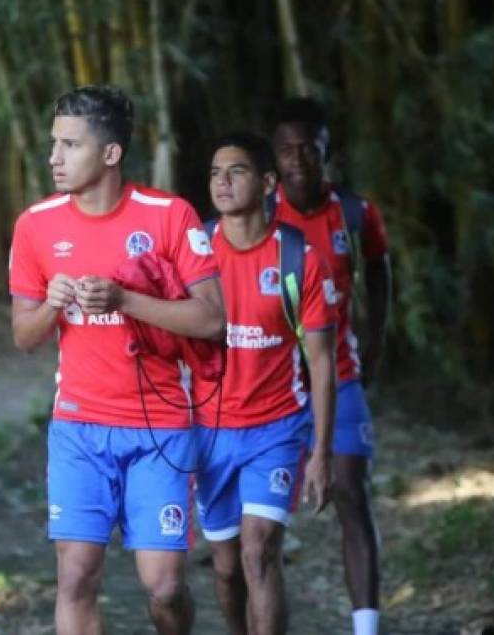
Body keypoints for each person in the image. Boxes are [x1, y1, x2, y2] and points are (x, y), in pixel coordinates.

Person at [9, 85, 225, 635]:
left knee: (165, 587)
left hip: (160, 429)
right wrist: (52, 307)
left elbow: (211, 319)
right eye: (53, 143)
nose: (53, 158)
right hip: (78, 426)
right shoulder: (36, 224)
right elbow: (23, 337)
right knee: (77, 577)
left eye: (69, 145)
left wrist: (126, 300)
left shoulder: (169, 215)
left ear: (110, 153)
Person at [194, 132, 337, 634]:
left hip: (276, 429)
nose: (222, 182)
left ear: (268, 182)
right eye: (215, 173)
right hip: (208, 431)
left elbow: (321, 361)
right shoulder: (194, 254)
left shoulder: (299, 258)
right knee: (228, 568)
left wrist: (321, 452)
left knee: (259, 552)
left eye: (236, 171)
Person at [272, 98, 392, 635]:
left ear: (327, 152)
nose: (299, 159)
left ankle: (366, 627)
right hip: (272, 383)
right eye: (288, 149)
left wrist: (377, 338)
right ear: (273, 158)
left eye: (310, 148)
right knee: (265, 520)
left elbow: (379, 268)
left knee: (351, 492)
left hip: (339, 371)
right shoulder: (259, 213)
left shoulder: (354, 211)